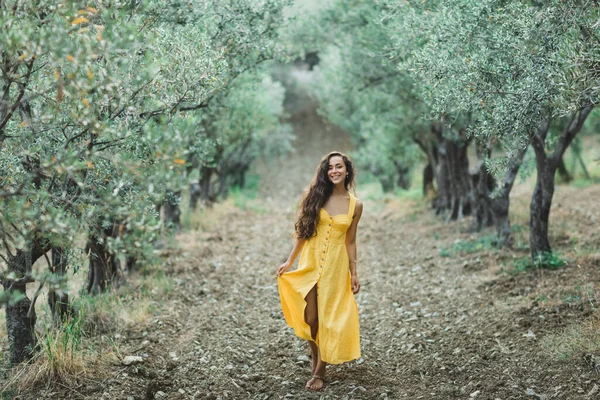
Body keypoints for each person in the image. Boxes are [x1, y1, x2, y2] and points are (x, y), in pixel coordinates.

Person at [276, 151, 363, 391]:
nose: (334, 171)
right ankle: (316, 356)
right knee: (311, 317)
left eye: (339, 167)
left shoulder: (356, 205)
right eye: (330, 167)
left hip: (336, 265)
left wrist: (354, 273)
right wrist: (289, 260)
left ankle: (320, 371)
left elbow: (351, 241)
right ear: (325, 172)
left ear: (347, 171)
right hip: (311, 260)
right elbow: (302, 233)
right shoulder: (315, 197)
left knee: (328, 318)